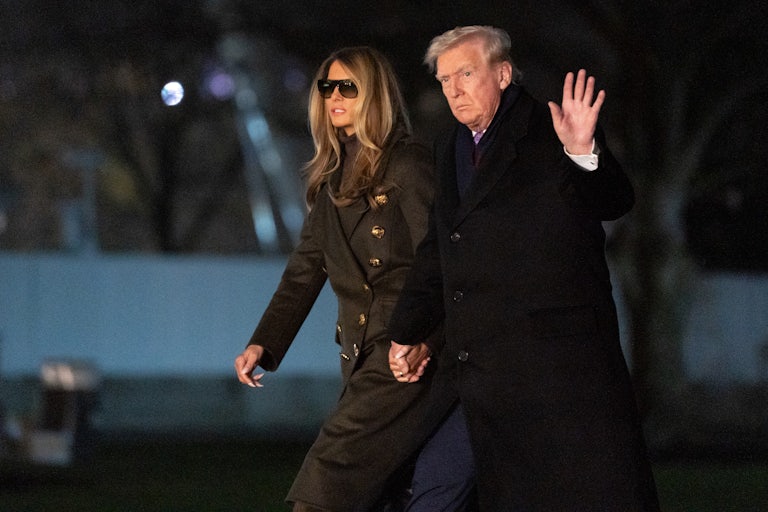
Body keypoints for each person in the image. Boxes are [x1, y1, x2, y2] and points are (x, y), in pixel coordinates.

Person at [387, 26, 661, 511]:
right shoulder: (450, 145)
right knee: (431, 490)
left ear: (503, 74)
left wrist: (582, 152)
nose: (453, 89)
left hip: (555, 375)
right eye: (444, 79)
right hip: (476, 375)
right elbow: (441, 247)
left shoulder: (551, 127)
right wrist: (407, 331)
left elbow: (614, 200)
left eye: (465, 74)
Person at [234, 46, 437, 512]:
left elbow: (442, 259)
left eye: (349, 86)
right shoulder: (331, 182)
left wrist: (425, 339)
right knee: (376, 494)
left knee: (327, 478)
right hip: (360, 355)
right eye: (328, 86)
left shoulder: (408, 164)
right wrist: (263, 342)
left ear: (375, 95)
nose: (335, 96)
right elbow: (304, 269)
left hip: (404, 354)